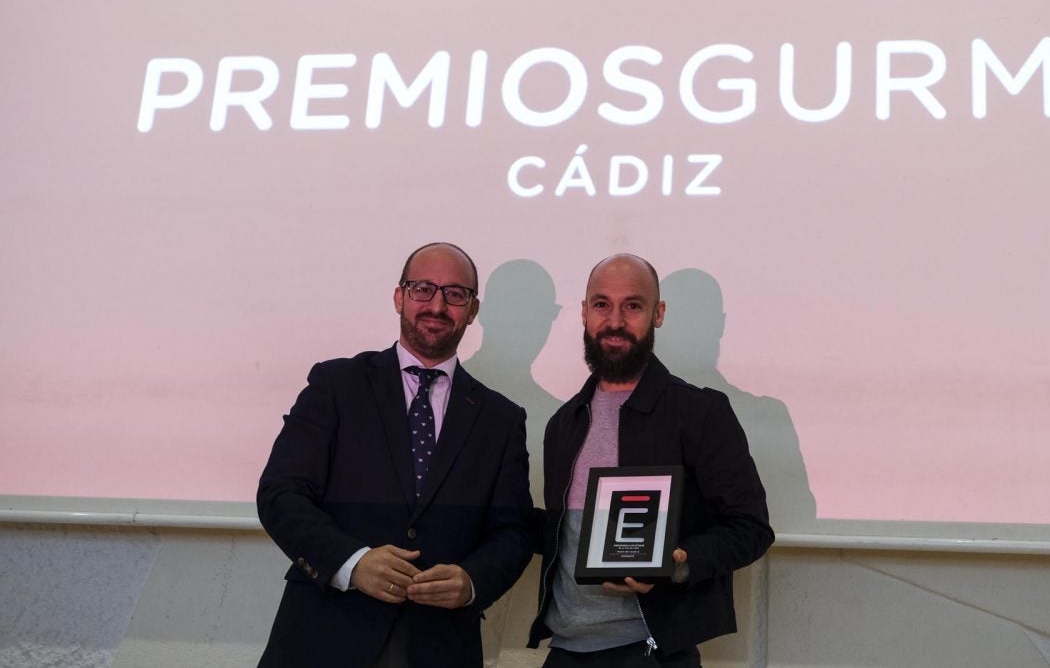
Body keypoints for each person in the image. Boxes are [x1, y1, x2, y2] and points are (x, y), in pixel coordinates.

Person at [257, 242, 535, 668]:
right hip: (324, 635)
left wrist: (473, 580)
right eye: (423, 288)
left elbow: (514, 530)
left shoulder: (501, 418)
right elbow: (281, 493)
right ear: (399, 296)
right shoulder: (335, 384)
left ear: (473, 309)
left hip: (442, 645)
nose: (437, 305)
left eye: (455, 294)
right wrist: (353, 562)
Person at [527, 254, 774, 667]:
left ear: (658, 314)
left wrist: (676, 565)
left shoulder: (700, 413)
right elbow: (564, 535)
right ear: (585, 313)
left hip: (652, 651)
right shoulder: (564, 422)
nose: (615, 320)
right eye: (602, 304)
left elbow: (751, 528)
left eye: (634, 305)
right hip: (566, 650)